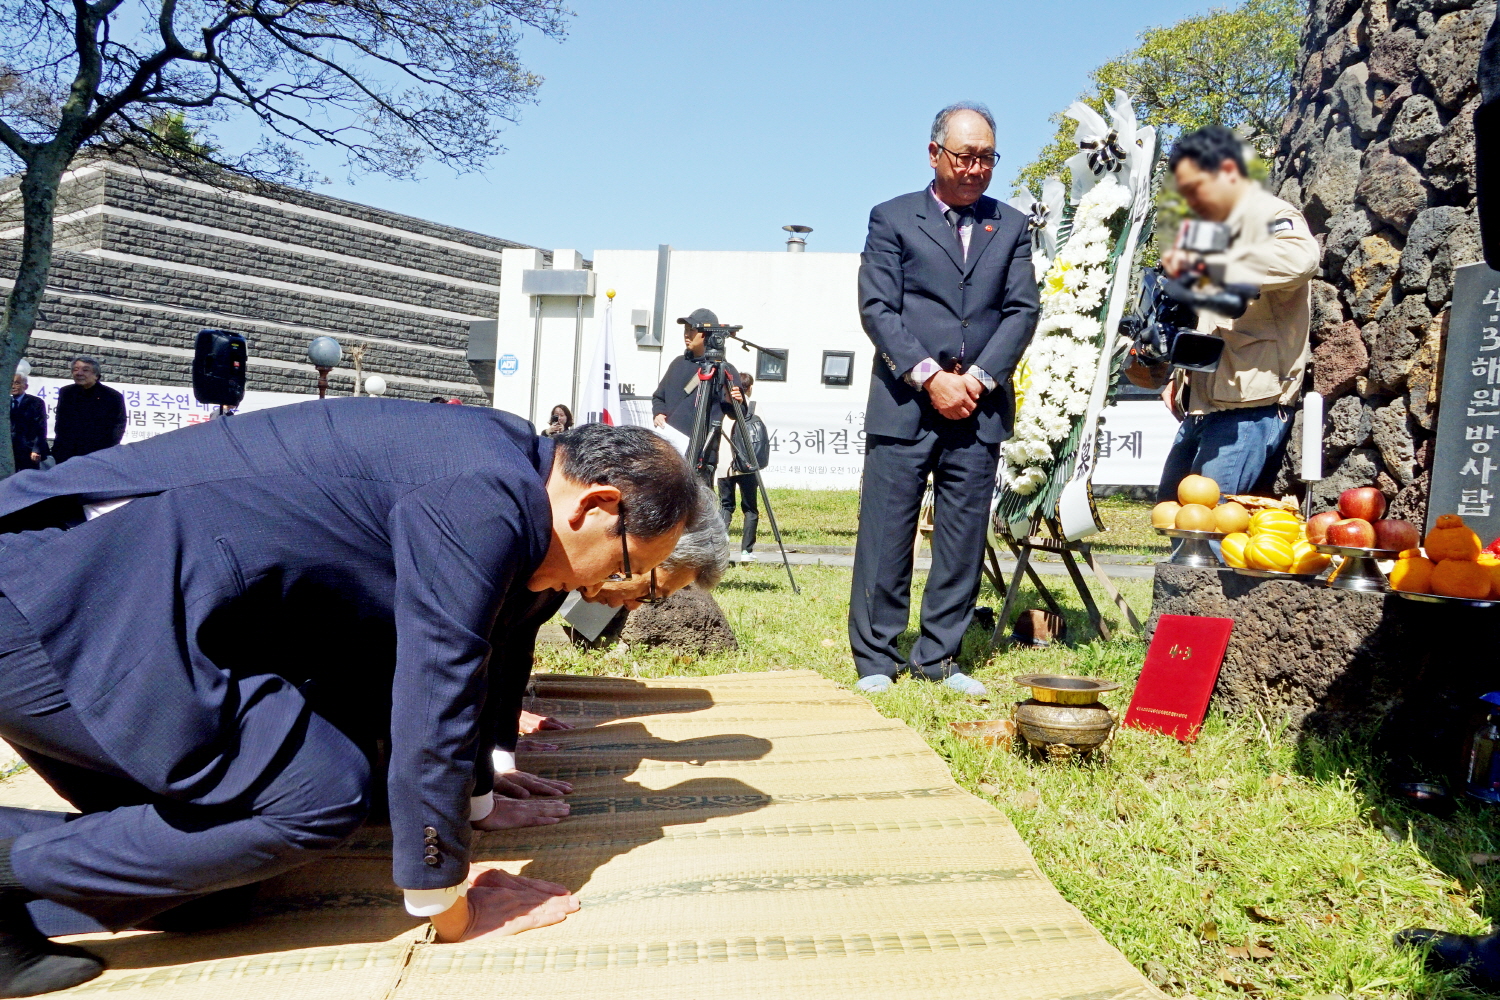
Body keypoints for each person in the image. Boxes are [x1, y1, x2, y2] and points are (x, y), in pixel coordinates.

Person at [0, 401, 698, 993]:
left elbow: (468, 653)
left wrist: (477, 796)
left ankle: (21, 914)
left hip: (126, 602)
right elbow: (436, 690)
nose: (603, 591)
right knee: (319, 794)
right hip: (65, 598)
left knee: (217, 881)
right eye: (631, 564)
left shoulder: (501, 458)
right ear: (598, 504)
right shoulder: (484, 496)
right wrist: (448, 902)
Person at [849, 101, 1040, 698]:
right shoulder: (892, 219)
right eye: (966, 156)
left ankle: (940, 656)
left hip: (977, 409)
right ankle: (877, 656)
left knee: (961, 536)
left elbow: (1022, 310)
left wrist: (978, 379)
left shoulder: (1009, 226)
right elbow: (878, 308)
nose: (977, 168)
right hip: (905, 404)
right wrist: (930, 377)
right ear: (935, 154)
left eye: (987, 158)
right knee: (887, 532)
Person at [478, 483, 729, 822]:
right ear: (645, 545)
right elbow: (454, 671)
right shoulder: (522, 544)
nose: (636, 606)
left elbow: (514, 646)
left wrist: (502, 752)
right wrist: (478, 798)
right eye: (651, 589)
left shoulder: (562, 576)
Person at [1127, 125, 1319, 500]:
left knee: (1210, 531)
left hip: (1248, 409)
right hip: (1200, 409)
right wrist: (1163, 365)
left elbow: (1302, 259)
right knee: (1174, 517)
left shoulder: (1268, 213)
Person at [651, 309, 743, 482]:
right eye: (685, 330)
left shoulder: (725, 369)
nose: (687, 334)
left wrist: (737, 400)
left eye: (692, 330)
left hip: (703, 449)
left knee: (700, 501)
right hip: (670, 447)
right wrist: (659, 413)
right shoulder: (678, 363)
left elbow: (736, 413)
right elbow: (658, 397)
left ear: (707, 335)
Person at [718, 373, 768, 562]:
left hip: (724, 466)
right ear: (750, 388)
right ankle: (746, 552)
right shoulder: (754, 407)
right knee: (750, 508)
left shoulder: (722, 408)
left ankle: (722, 539)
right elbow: (761, 437)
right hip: (747, 465)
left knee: (725, 505)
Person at [49, 358, 125, 464]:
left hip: (98, 453)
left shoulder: (112, 396)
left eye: (85, 370)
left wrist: (108, 449)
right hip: (66, 452)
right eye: (75, 369)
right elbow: (61, 421)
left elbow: (118, 425)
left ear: (96, 375)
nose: (79, 373)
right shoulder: (66, 392)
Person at [8, 376, 47, 473]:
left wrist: (36, 449)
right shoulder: (4, 402)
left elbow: (40, 427)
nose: (13, 386)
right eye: (11, 383)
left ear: (25, 386)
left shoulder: (35, 402)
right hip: (9, 450)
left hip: (28, 450)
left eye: (17, 383)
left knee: (28, 478)